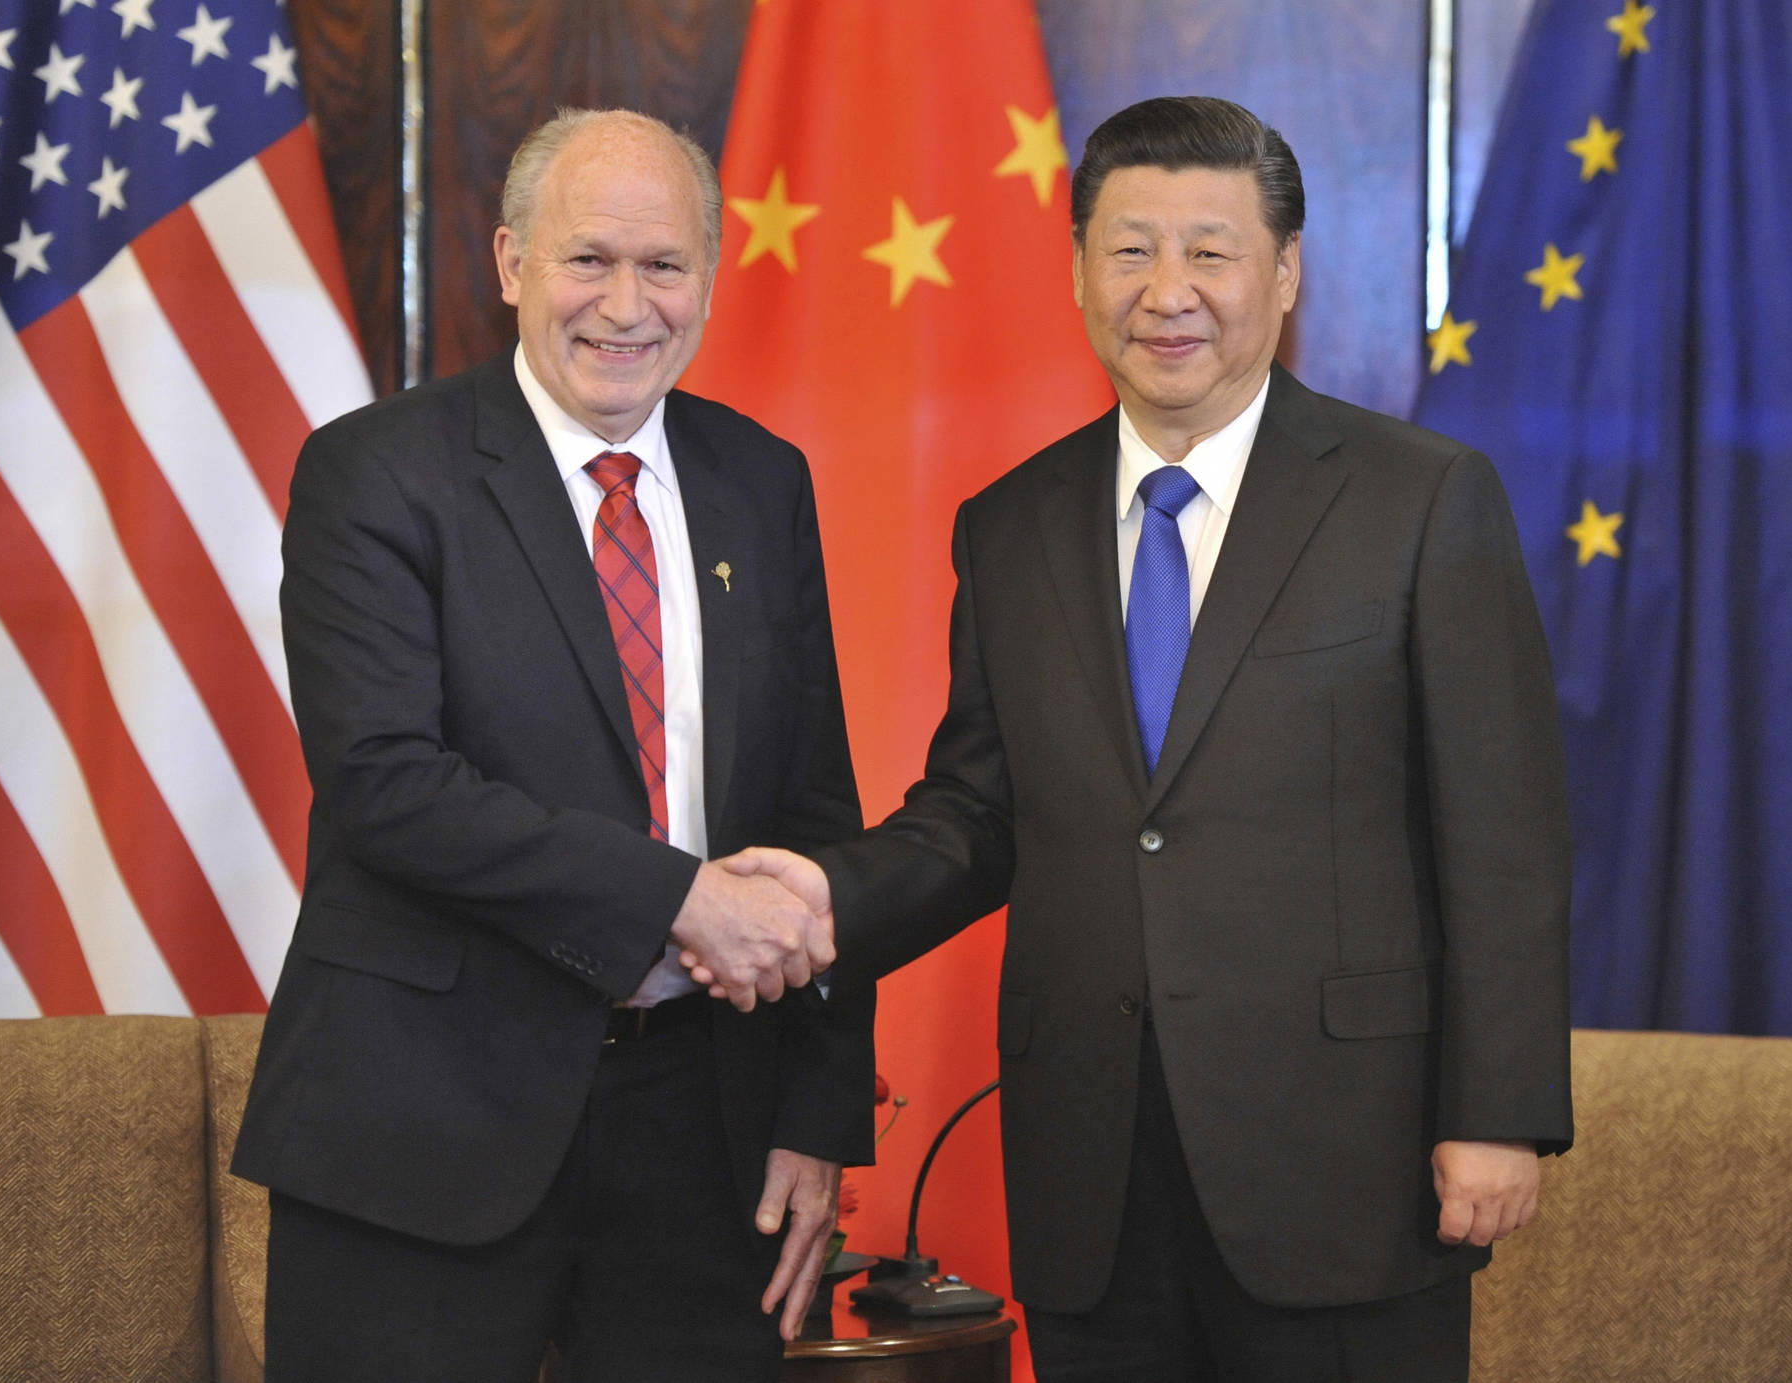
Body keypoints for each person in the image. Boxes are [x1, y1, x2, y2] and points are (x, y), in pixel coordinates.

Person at [716, 96, 1572, 1381]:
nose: (1166, 290)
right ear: (1074, 272)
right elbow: (977, 815)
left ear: (1282, 276)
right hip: (1089, 1169)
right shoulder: (1008, 524)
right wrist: (829, 893)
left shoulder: (1419, 499)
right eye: (1127, 250)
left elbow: (1501, 833)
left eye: (1210, 252)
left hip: (1345, 1165)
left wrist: (1500, 1115)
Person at [231, 108, 873, 1383]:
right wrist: (682, 898)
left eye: (664, 266)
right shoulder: (377, 471)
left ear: (708, 276)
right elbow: (386, 788)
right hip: (426, 1123)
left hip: (706, 1137)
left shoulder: (762, 477)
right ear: (512, 263)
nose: (626, 305)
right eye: (589, 260)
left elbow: (813, 809)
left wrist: (818, 1115)